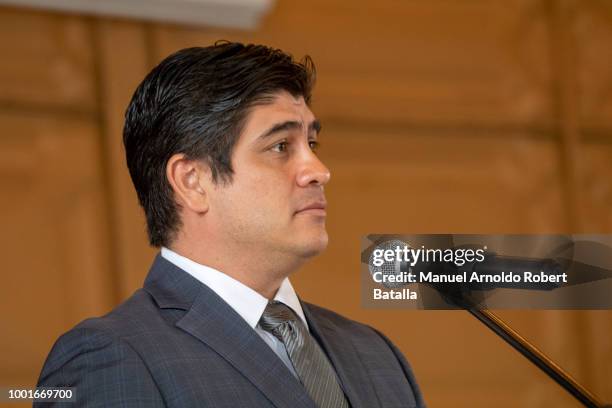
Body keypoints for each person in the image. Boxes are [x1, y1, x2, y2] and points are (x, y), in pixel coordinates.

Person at [37, 41, 426, 408]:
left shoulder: (376, 354)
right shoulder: (111, 357)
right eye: (280, 147)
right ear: (193, 181)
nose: (319, 171)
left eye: (312, 144)